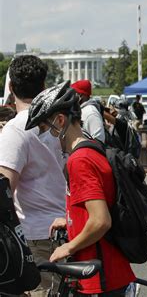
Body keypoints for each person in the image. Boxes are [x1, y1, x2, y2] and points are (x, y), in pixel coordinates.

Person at [25, 82, 136, 295]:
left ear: (60, 121)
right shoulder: (92, 148)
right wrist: (69, 221)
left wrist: (68, 247)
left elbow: (101, 220)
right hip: (104, 270)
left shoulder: (80, 160)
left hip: (97, 275)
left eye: (43, 128)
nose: (42, 135)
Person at [0, 55, 67, 296]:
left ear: (10, 87)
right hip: (64, 224)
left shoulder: (17, 129)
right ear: (43, 86)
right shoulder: (58, 121)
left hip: (35, 234)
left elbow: (4, 189)